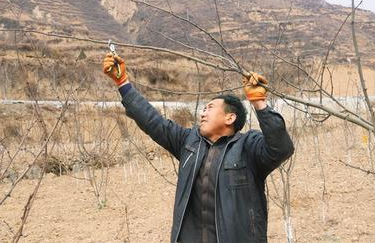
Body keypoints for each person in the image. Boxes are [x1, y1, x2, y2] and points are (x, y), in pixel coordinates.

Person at [103, 53, 294, 243]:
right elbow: (153, 121)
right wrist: (122, 83)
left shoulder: (248, 147)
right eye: (203, 109)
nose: (203, 113)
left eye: (210, 108)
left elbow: (281, 148)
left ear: (230, 118)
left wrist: (259, 103)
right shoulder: (188, 142)